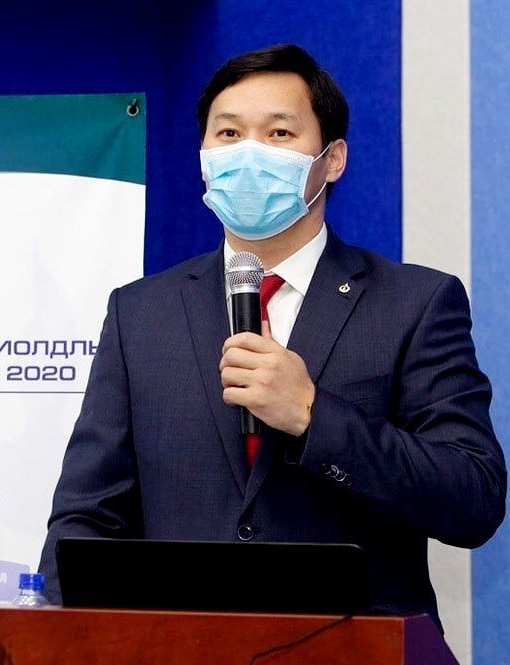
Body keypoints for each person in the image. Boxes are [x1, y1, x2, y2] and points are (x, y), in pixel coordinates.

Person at [38, 43, 506, 627]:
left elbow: (472, 498)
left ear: (332, 159)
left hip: (353, 647)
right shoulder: (141, 313)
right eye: (229, 134)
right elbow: (86, 518)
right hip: (178, 647)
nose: (249, 153)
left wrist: (313, 415)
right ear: (203, 157)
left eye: (279, 134)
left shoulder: (414, 303)